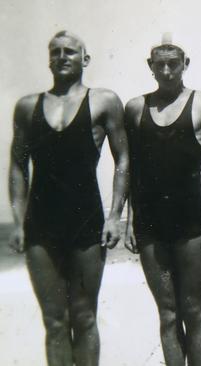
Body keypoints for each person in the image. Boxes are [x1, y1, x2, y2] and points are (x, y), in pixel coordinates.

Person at [8, 31, 129, 366]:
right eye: (56, 52)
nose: (62, 57)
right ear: (49, 58)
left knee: (84, 317)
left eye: (70, 52)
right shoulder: (27, 107)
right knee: (54, 321)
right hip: (40, 224)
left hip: (86, 222)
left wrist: (115, 215)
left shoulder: (104, 101)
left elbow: (124, 161)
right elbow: (18, 168)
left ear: (84, 59)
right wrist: (18, 223)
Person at [123, 34, 201, 366]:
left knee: (194, 310)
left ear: (185, 64)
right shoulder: (136, 108)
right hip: (150, 223)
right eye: (160, 64)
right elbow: (130, 168)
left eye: (173, 63)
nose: (167, 71)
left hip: (191, 221)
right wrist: (127, 219)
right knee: (168, 313)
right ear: (150, 66)